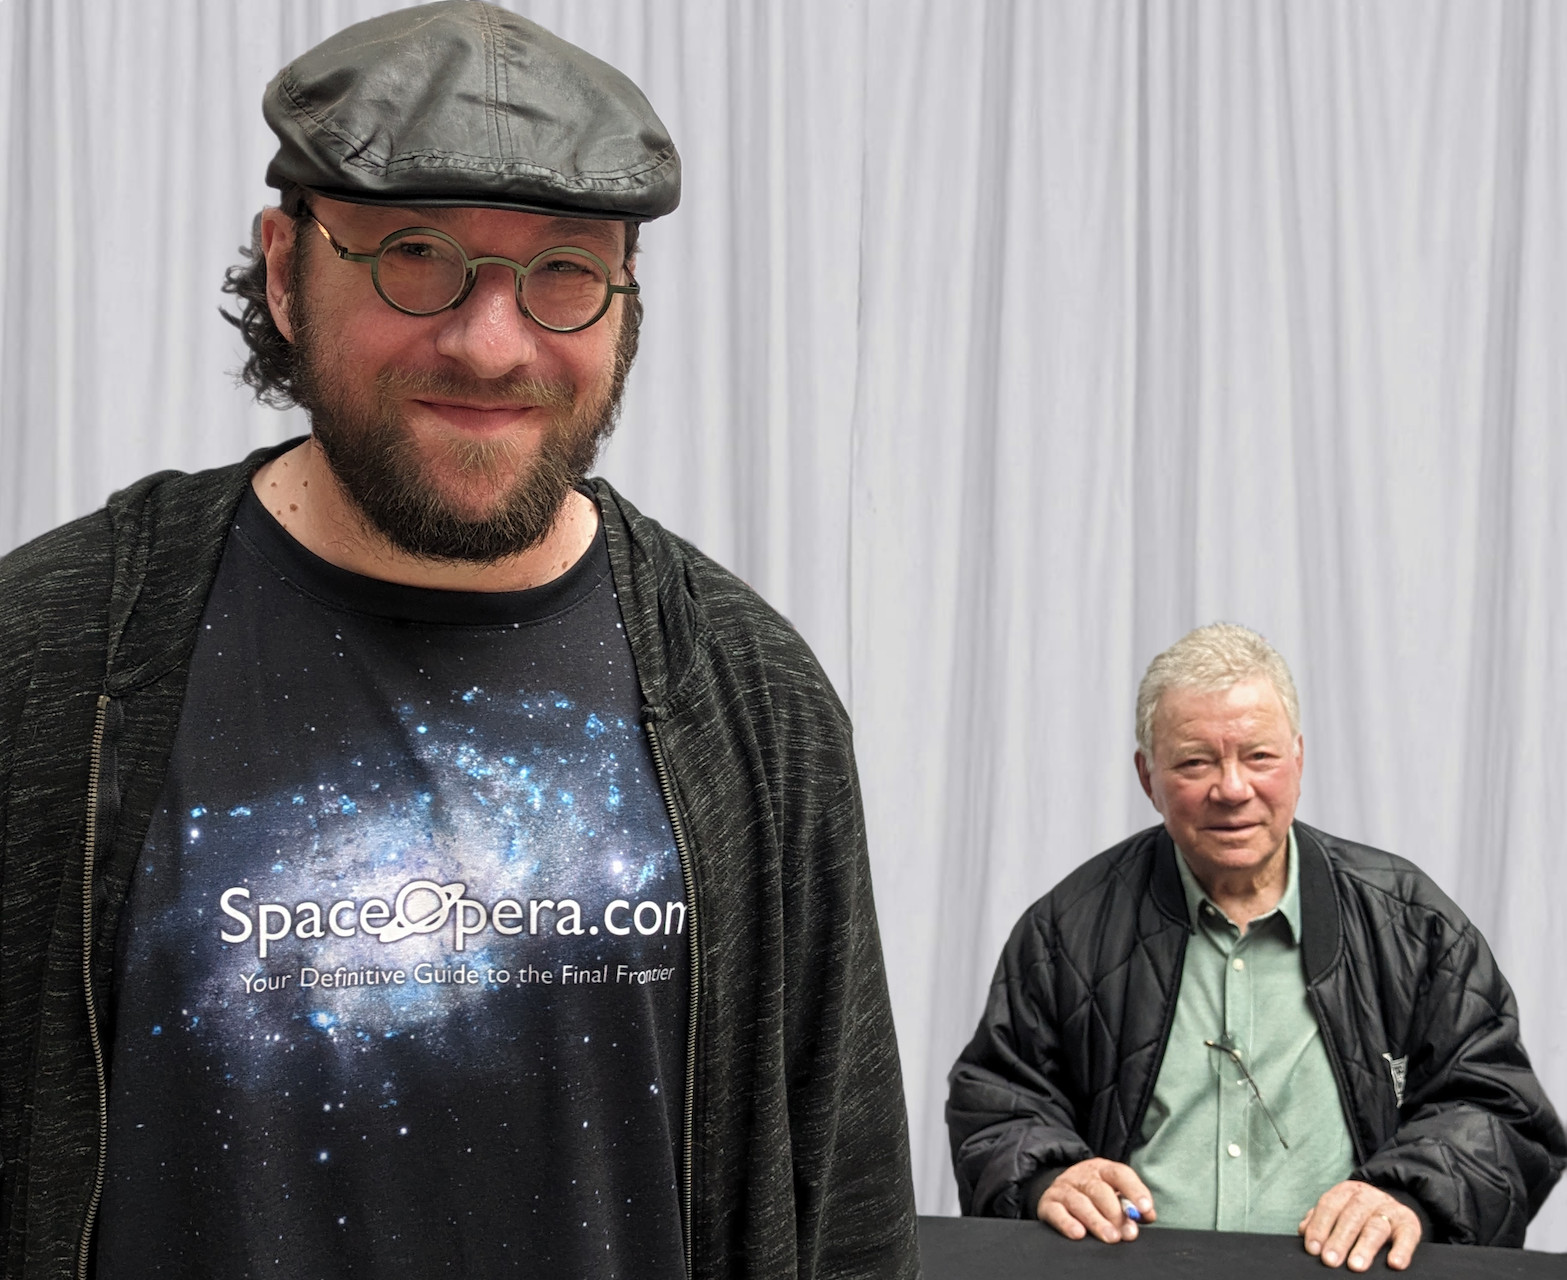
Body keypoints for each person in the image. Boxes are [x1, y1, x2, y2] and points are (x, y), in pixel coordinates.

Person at [0, 5, 916, 1276]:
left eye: (562, 270)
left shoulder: (753, 702)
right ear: (283, 267)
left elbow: (845, 1212)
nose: (491, 344)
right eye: (414, 254)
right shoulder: (48, 660)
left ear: (624, 299)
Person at [947, 622, 1565, 1271]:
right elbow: (996, 1103)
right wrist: (1047, 1178)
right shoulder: (1066, 929)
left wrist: (1407, 1194)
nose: (1232, 788)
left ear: (1297, 760)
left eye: (1258, 756)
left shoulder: (1411, 924)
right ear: (1145, 775)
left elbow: (1500, 1113)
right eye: (1194, 761)